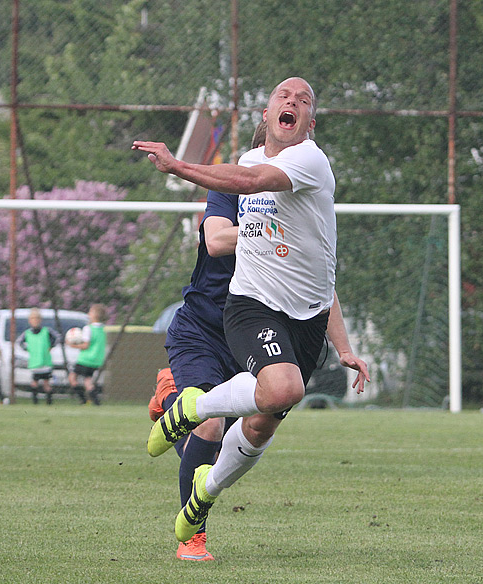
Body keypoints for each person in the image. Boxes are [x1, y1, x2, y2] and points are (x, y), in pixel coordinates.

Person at [134, 76, 370, 543]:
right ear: (265, 117)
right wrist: (181, 168)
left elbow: (322, 278)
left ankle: (207, 489)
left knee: (263, 421)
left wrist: (342, 346)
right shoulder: (243, 171)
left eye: (302, 100)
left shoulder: (308, 162)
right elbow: (221, 228)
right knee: (269, 395)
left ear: (310, 123)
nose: (292, 103)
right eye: (283, 97)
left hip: (299, 321)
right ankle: (193, 520)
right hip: (233, 314)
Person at [144, 122, 267, 561]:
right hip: (201, 329)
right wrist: (271, 233)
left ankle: (171, 400)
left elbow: (320, 279)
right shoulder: (227, 193)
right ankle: (191, 537)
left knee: (237, 443)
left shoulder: (299, 204)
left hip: (249, 338)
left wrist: (344, 348)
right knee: (210, 425)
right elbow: (216, 241)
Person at [16, 308, 58, 405]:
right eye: (33, 319)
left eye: (37, 318)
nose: (35, 321)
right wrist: (28, 349)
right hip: (35, 363)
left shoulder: (46, 331)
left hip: (45, 362)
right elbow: (19, 342)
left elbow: (57, 338)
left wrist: (51, 346)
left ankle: (49, 403)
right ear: (30, 321)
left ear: (40, 320)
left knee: (46, 384)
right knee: (34, 383)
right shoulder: (27, 333)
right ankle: (35, 402)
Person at [67, 304, 107, 405]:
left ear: (95, 315)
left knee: (72, 378)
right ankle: (96, 402)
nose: (88, 314)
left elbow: (86, 345)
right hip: (96, 360)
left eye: (90, 312)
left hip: (85, 359)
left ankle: (83, 400)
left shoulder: (88, 329)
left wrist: (72, 345)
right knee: (88, 381)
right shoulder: (103, 329)